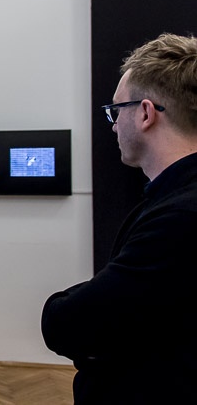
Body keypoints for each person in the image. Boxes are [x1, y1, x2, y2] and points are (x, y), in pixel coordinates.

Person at [41, 33, 197, 404]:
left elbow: (70, 323)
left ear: (145, 113)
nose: (113, 125)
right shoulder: (173, 199)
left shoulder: (179, 217)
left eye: (116, 111)